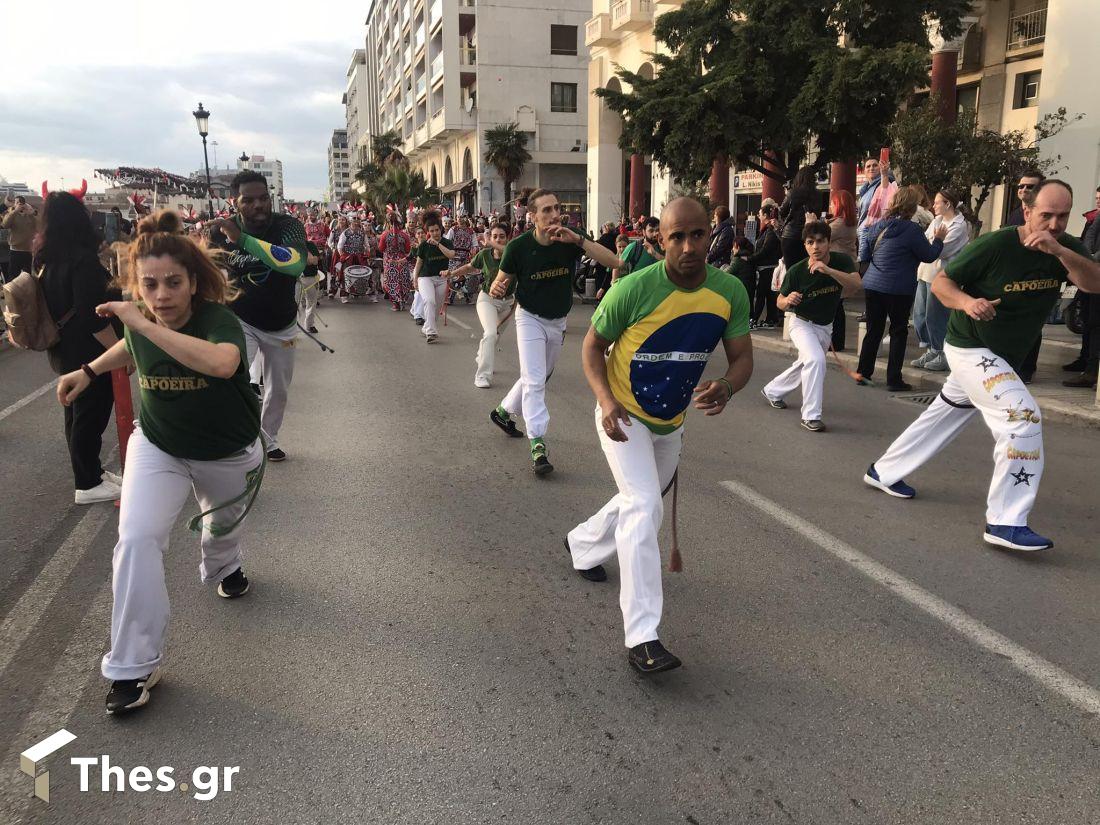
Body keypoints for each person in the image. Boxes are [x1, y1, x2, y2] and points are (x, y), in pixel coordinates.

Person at [56, 210, 264, 714]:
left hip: (227, 452)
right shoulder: (141, 318)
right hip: (160, 447)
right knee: (137, 539)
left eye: (174, 282)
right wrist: (88, 370)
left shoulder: (218, 320)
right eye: (149, 285)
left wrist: (138, 324)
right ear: (136, 284)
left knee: (219, 531)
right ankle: (132, 666)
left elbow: (221, 364)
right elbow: (130, 346)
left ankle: (224, 565)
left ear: (194, 282)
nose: (162, 295)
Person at [567, 197, 753, 674]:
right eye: (677, 237)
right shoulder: (634, 289)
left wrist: (728, 386)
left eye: (697, 235)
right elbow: (591, 349)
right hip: (623, 416)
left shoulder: (729, 290)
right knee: (645, 506)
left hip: (671, 423)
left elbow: (742, 358)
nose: (688, 246)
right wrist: (607, 403)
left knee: (637, 500)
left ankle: (583, 543)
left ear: (711, 236)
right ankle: (643, 637)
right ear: (660, 240)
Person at [864, 180, 1100, 552]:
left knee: (944, 413)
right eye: (1046, 215)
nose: (1054, 224)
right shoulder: (997, 245)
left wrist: (1059, 252)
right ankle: (1005, 521)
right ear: (1027, 212)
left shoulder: (1065, 247)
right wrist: (966, 303)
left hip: (1004, 355)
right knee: (1022, 417)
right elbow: (942, 282)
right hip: (970, 347)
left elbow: (1093, 283)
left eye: (1062, 216)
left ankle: (883, 471)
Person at [488, 188, 622, 475]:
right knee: (535, 380)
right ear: (532, 216)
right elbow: (500, 281)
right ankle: (537, 441)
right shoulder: (518, 248)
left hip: (558, 321)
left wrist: (579, 240)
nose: (554, 214)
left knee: (539, 375)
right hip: (529, 318)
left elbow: (615, 262)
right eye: (546, 210)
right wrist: (495, 287)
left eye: (556, 208)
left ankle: (502, 411)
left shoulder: (570, 238)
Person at [212, 170, 306, 463]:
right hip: (240, 319)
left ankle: (268, 438)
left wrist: (242, 240)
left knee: (278, 391)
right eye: (249, 200)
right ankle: (238, 440)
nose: (258, 205)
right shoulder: (218, 232)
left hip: (282, 323)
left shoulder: (288, 226)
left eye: (264, 198)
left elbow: (293, 264)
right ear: (234, 202)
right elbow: (208, 273)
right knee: (233, 381)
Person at [36, 192, 123, 503]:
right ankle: (87, 482)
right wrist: (119, 352)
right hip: (88, 349)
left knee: (75, 414)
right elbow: (93, 315)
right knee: (90, 414)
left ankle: (91, 472)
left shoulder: (47, 258)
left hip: (63, 346)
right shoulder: (82, 261)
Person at [761, 222, 861, 431]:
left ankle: (773, 390)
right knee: (815, 361)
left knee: (807, 363)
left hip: (825, 326)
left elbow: (855, 285)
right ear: (805, 245)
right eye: (810, 242)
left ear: (828, 242)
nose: (816, 247)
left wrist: (829, 271)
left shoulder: (842, 262)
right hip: (801, 324)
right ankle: (811, 416)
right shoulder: (797, 271)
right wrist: (788, 299)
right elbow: (779, 301)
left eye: (820, 241)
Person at [855, 186, 947, 391]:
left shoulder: (879, 225)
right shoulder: (913, 230)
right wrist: (939, 240)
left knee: (873, 330)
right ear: (913, 207)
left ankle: (863, 373)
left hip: (873, 284)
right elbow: (929, 255)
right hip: (899, 288)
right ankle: (894, 380)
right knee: (898, 331)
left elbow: (866, 249)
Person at [911, 190, 970, 372]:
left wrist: (933, 241)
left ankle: (942, 353)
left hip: (940, 276)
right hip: (924, 272)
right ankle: (932, 348)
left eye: (937, 203)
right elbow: (924, 244)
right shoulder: (937, 222)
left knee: (936, 316)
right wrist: (934, 240)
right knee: (919, 315)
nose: (933, 206)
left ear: (948, 204)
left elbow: (941, 250)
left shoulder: (959, 226)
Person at [450, 223, 512, 387]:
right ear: (490, 238)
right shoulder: (484, 255)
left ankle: (482, 355)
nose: (498, 239)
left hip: (509, 303)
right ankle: (483, 375)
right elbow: (470, 266)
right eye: (494, 237)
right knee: (491, 333)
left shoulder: (513, 255)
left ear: (508, 238)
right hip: (487, 299)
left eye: (502, 236)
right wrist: (452, 274)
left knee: (495, 337)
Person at [411, 211, 455, 343]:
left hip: (441, 279)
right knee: (429, 301)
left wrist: (438, 244)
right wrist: (415, 279)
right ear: (428, 231)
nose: (435, 233)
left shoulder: (447, 242)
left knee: (437, 306)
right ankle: (431, 332)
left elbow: (451, 255)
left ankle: (427, 327)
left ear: (441, 229)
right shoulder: (424, 245)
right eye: (432, 230)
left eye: (437, 230)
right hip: (425, 278)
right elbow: (419, 263)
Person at [828, 189, 859, 351]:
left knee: (835, 305)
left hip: (839, 267)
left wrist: (810, 222)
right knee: (837, 305)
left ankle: (836, 342)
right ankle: (837, 341)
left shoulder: (839, 224)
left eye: (833, 203)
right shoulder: (849, 222)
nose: (831, 207)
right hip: (847, 266)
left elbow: (820, 236)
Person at [747, 205, 782, 328]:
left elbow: (766, 249)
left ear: (766, 215)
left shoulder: (771, 230)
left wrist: (750, 259)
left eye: (760, 213)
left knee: (762, 294)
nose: (758, 216)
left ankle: (755, 319)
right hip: (765, 267)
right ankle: (770, 319)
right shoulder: (766, 230)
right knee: (768, 295)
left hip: (768, 267)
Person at [778, 166, 818, 269]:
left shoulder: (792, 192)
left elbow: (782, 212)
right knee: (806, 267)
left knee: (791, 269)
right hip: (808, 234)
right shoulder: (818, 195)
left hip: (790, 235)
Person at [378, 215, 413, 312]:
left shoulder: (385, 235)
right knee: (403, 281)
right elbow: (407, 249)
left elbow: (381, 248)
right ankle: (402, 300)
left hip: (390, 261)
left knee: (391, 281)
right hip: (402, 261)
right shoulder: (405, 235)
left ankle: (396, 303)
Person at [335, 215, 369, 304]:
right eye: (354, 221)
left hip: (359, 256)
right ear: (350, 222)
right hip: (348, 257)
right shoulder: (345, 233)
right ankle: (344, 295)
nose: (356, 223)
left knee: (361, 274)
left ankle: (357, 292)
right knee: (345, 276)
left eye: (358, 221)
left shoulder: (362, 233)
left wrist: (367, 252)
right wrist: (342, 255)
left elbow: (366, 245)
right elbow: (339, 246)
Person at [2, 194, 36, 281]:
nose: (19, 205)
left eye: (21, 203)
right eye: (17, 202)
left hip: (28, 250)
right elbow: (5, 224)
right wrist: (15, 211)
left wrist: (32, 213)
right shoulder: (11, 214)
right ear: (14, 204)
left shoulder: (30, 215)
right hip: (15, 250)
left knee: (27, 277)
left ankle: (26, 293)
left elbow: (38, 227)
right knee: (13, 276)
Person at [298, 241, 322, 333]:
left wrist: (304, 258)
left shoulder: (310, 245)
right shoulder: (290, 245)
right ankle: (293, 328)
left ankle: (309, 325)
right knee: (294, 304)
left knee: (311, 302)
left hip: (310, 277)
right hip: (295, 279)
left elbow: (315, 261)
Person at [706, 205, 736, 269]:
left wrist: (708, 258)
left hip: (720, 263)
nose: (714, 216)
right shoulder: (716, 228)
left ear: (719, 217)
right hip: (713, 261)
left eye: (715, 215)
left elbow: (720, 247)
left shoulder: (727, 230)